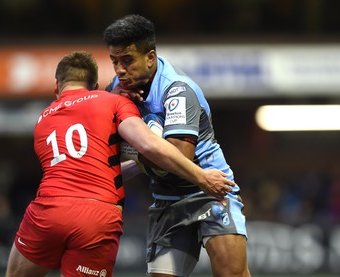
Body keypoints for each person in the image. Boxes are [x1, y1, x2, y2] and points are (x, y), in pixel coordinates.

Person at [5, 51, 235, 277]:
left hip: (48, 209)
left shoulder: (43, 118)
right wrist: (202, 177)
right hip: (97, 215)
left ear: (56, 86)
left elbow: (89, 167)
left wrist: (139, 164)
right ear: (95, 85)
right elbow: (149, 145)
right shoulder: (112, 101)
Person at [103, 14, 251, 277]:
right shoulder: (117, 89)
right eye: (114, 61)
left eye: (127, 61)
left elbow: (178, 155)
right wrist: (108, 103)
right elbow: (102, 142)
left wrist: (130, 150)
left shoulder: (176, 90)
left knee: (231, 273)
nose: (119, 70)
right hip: (167, 200)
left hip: (209, 189)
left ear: (150, 57)